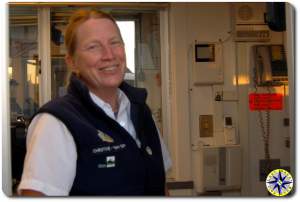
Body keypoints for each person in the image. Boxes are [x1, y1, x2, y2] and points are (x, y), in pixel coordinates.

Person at [17, 9, 171, 196]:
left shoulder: (141, 112)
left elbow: (160, 186)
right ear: (72, 62)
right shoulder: (56, 122)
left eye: (115, 43)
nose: (109, 55)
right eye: (93, 47)